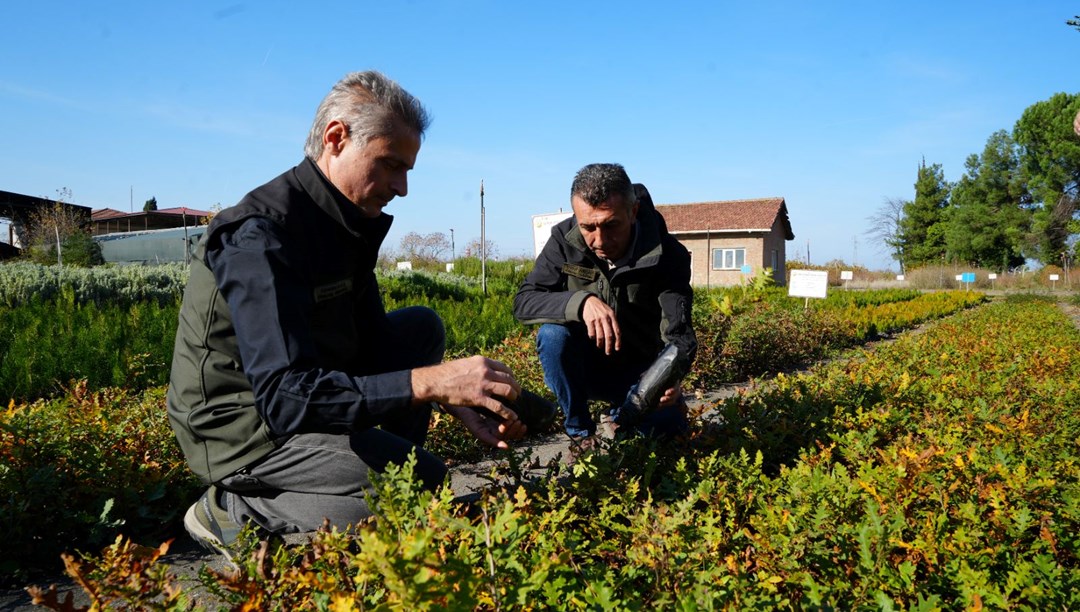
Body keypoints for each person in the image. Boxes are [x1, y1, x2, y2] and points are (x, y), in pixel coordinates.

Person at [167, 70, 533, 563]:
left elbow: (374, 342)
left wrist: (456, 398)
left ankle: (367, 473)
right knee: (423, 486)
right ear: (336, 139)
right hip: (241, 422)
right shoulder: (260, 236)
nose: (401, 188)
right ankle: (234, 506)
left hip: (299, 393)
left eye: (407, 170)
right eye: (389, 165)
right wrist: (431, 383)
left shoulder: (345, 222)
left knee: (420, 329)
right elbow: (284, 397)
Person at [512, 163, 697, 451]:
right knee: (552, 336)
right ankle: (581, 433)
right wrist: (580, 301)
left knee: (663, 437)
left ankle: (624, 418)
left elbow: (680, 339)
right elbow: (524, 301)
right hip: (585, 369)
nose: (599, 240)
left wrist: (666, 379)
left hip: (639, 375)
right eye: (588, 227)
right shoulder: (564, 240)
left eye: (611, 225)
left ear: (633, 212)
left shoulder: (668, 255)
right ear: (577, 216)